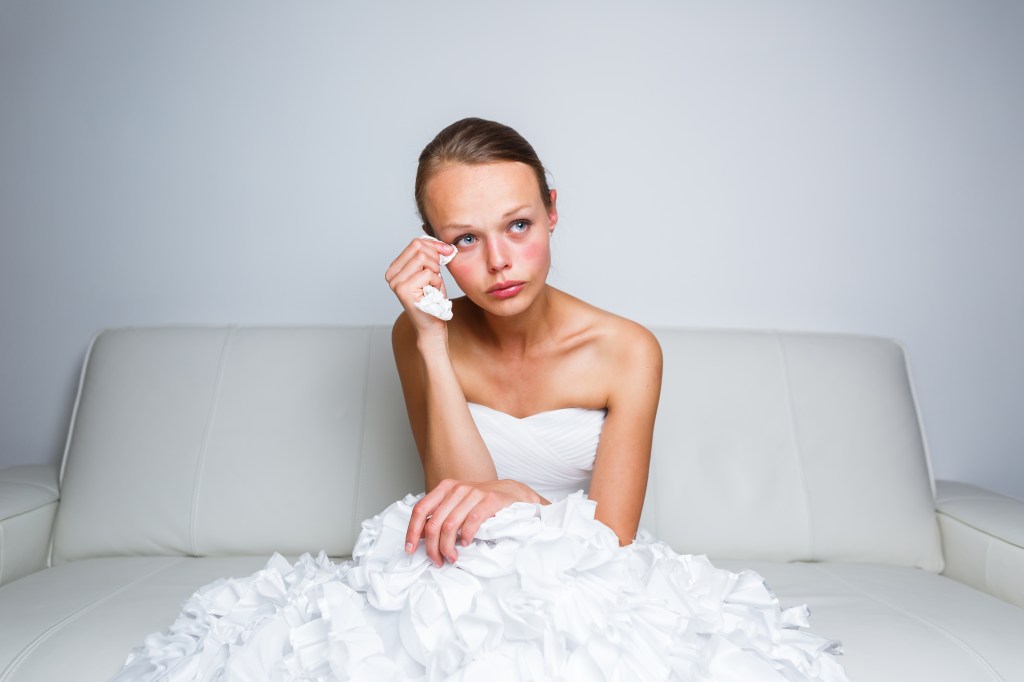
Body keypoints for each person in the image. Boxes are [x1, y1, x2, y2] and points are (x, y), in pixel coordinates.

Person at [116, 118, 848, 681]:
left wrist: (517, 496)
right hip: (455, 567)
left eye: (518, 225)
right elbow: (454, 499)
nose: (499, 262)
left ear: (553, 211)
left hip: (586, 579)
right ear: (433, 247)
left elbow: (612, 541)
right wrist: (431, 342)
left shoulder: (627, 350)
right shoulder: (417, 336)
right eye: (465, 239)